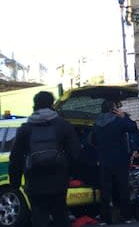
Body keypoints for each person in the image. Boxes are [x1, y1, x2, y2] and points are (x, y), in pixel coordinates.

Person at [9, 91, 81, 227]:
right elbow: (75, 153)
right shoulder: (63, 125)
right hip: (59, 179)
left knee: (39, 217)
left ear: (35, 105)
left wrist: (15, 182)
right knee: (61, 216)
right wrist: (72, 174)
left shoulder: (25, 129)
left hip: (34, 180)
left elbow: (16, 157)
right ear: (52, 104)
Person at [91, 100, 139, 225]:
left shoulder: (96, 124)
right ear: (113, 110)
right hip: (119, 159)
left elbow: (93, 141)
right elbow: (133, 128)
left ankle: (104, 218)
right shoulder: (118, 121)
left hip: (104, 160)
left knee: (105, 190)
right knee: (122, 188)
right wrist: (124, 116)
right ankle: (126, 216)